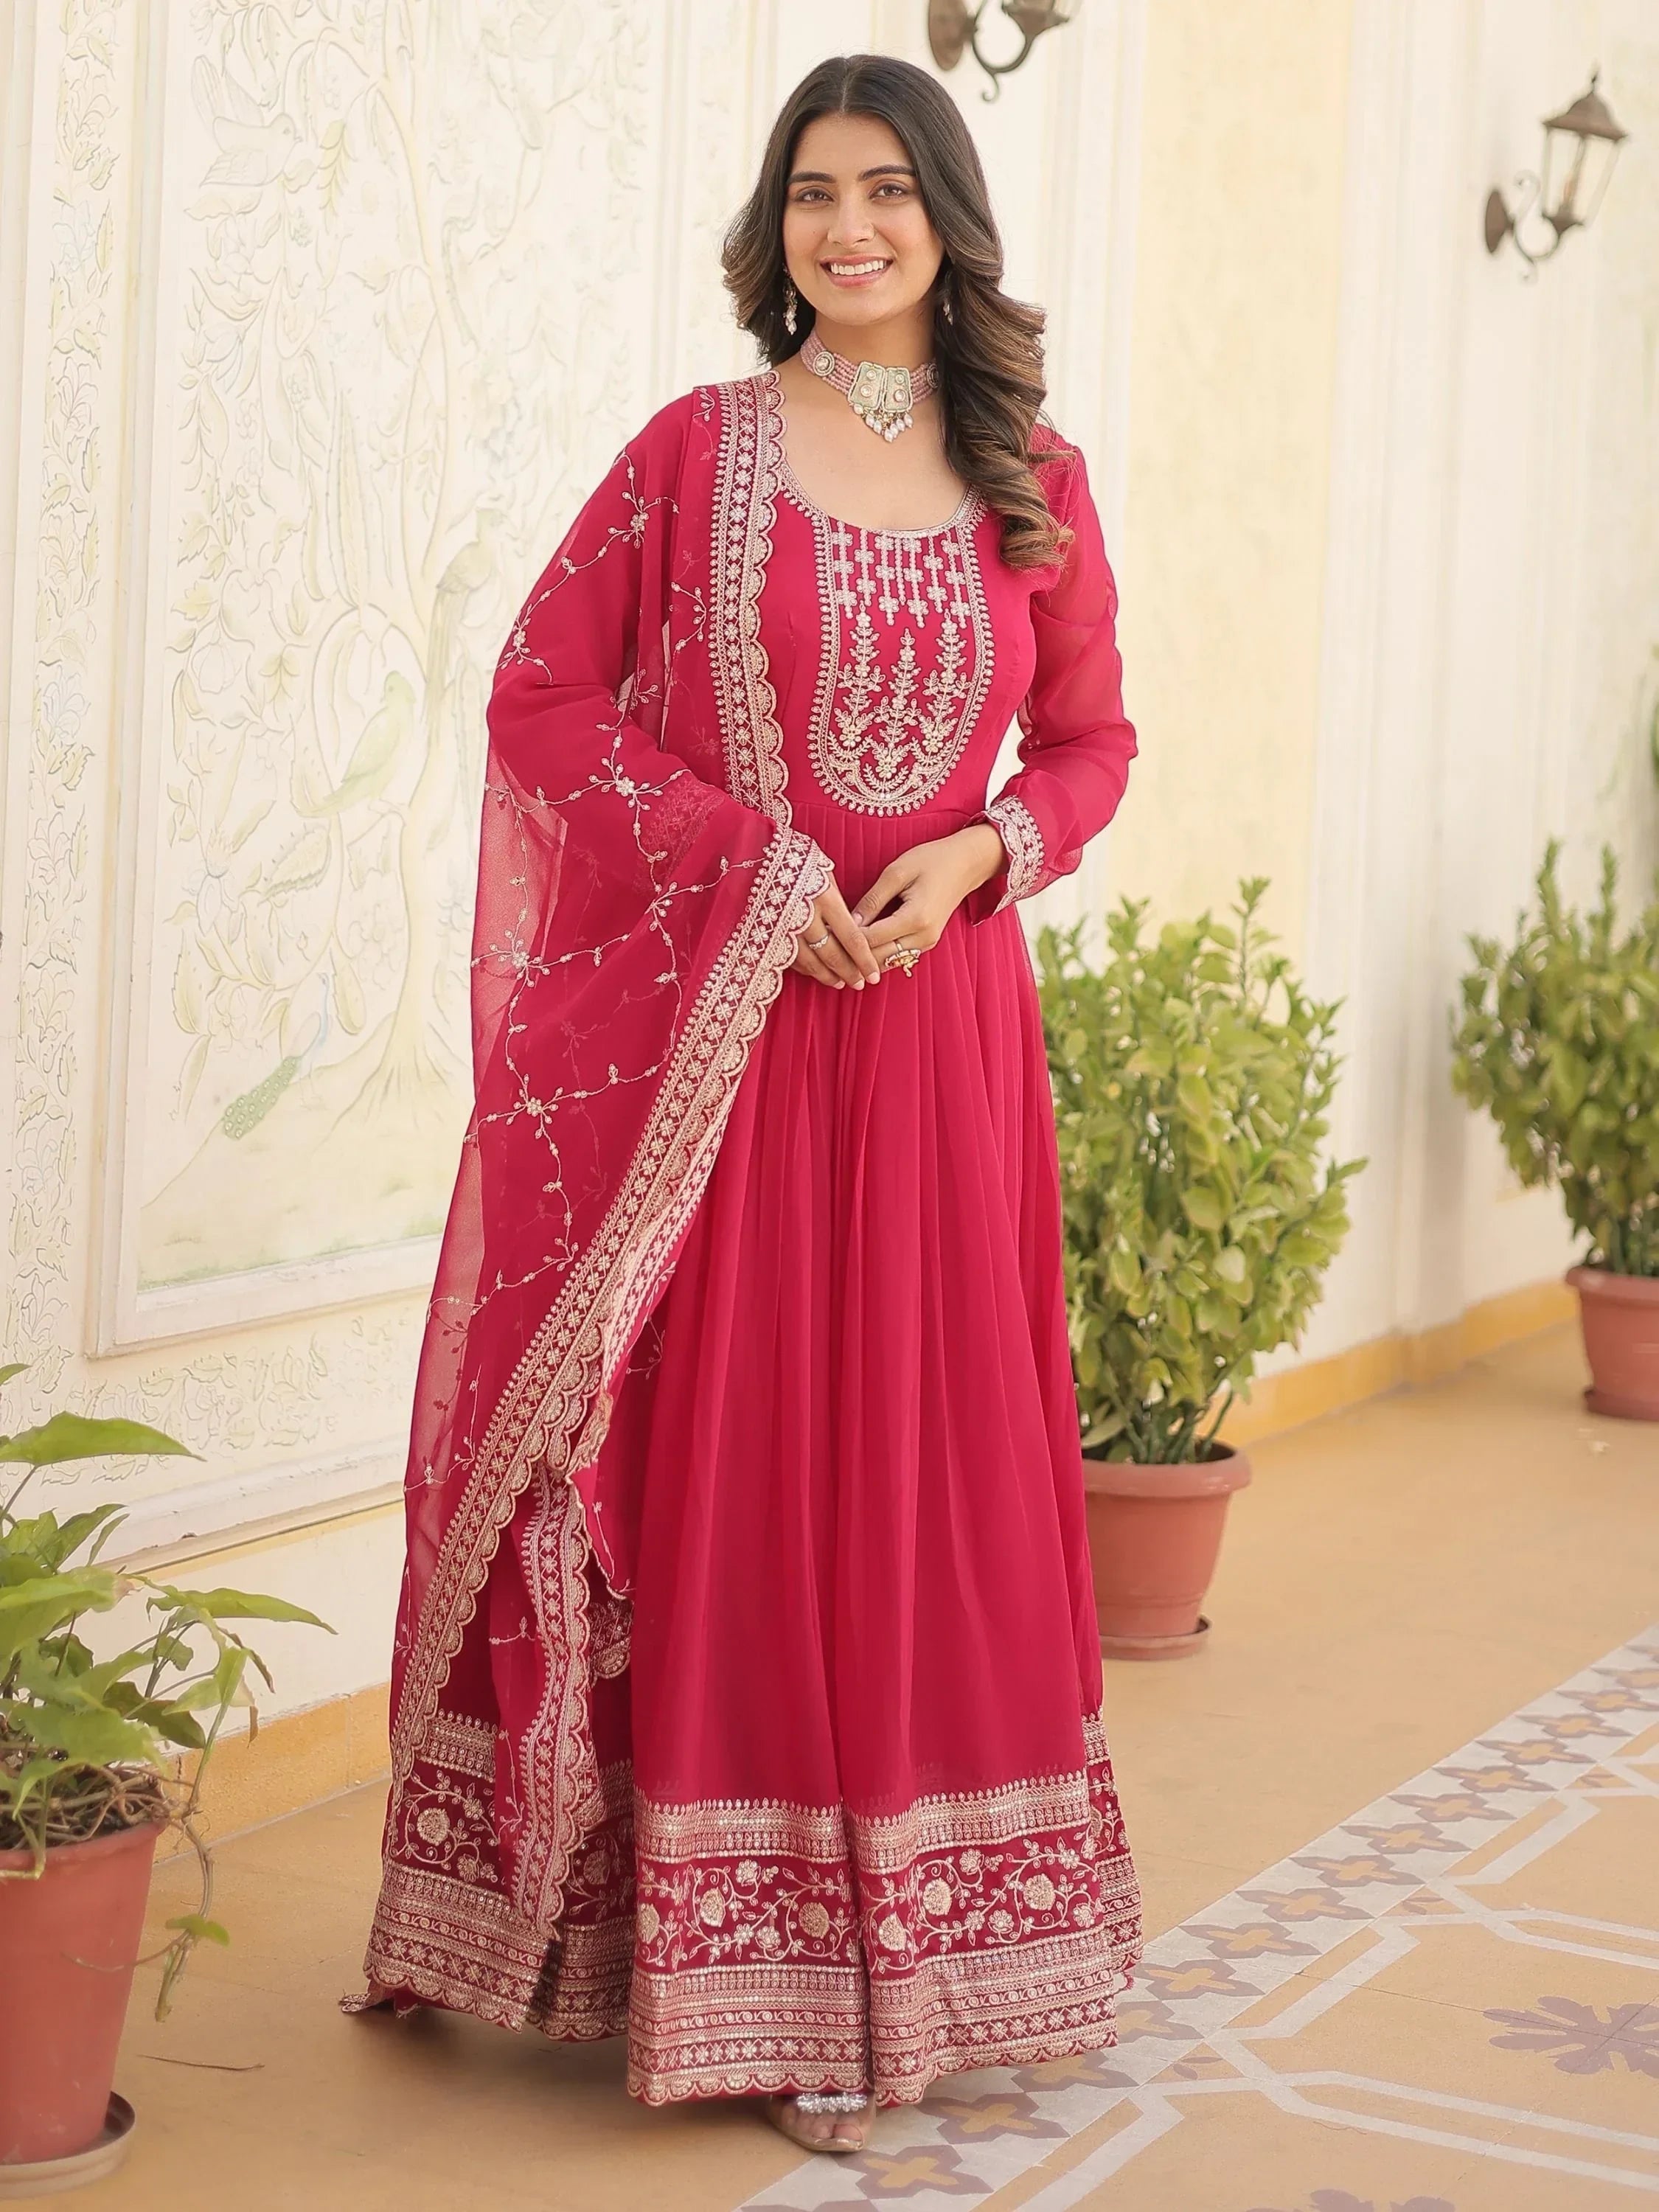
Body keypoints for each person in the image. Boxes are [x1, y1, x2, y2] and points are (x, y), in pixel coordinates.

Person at [347, 52, 1142, 2157]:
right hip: (740, 1042)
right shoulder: (689, 454)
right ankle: (745, 1978)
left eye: (888, 189)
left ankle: (918, 1958)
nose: (848, 226)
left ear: (951, 222)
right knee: (754, 1468)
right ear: (773, 224)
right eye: (813, 191)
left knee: (924, 1469)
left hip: (943, 1041)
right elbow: (541, 695)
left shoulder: (1029, 476)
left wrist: (985, 854)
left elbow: (1088, 745)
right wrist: (753, 873)